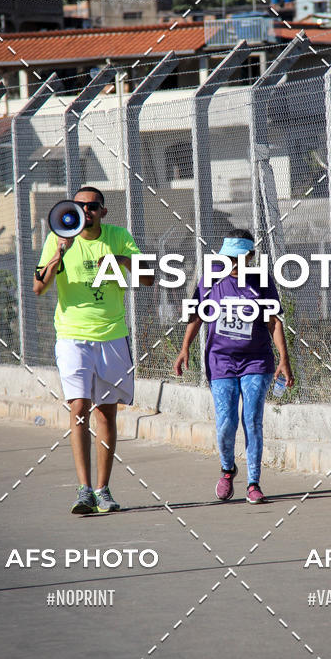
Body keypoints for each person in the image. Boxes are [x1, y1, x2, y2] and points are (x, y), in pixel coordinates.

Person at [33, 186, 153, 515]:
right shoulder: (57, 237)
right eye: (81, 205)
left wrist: (121, 260)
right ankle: (84, 489)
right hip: (72, 335)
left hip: (112, 335)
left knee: (106, 412)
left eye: (93, 206)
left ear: (103, 211)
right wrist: (59, 252)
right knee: (79, 407)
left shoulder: (118, 236)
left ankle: (103, 490)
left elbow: (149, 279)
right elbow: (39, 287)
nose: (86, 211)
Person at [173, 230, 294, 504]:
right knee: (226, 422)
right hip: (220, 361)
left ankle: (254, 483)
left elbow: (273, 321)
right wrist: (184, 349)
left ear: (250, 257)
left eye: (240, 258)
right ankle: (228, 471)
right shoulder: (210, 280)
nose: (234, 264)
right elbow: (197, 314)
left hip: (256, 360)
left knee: (252, 420)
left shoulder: (261, 282)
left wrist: (284, 359)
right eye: (229, 258)